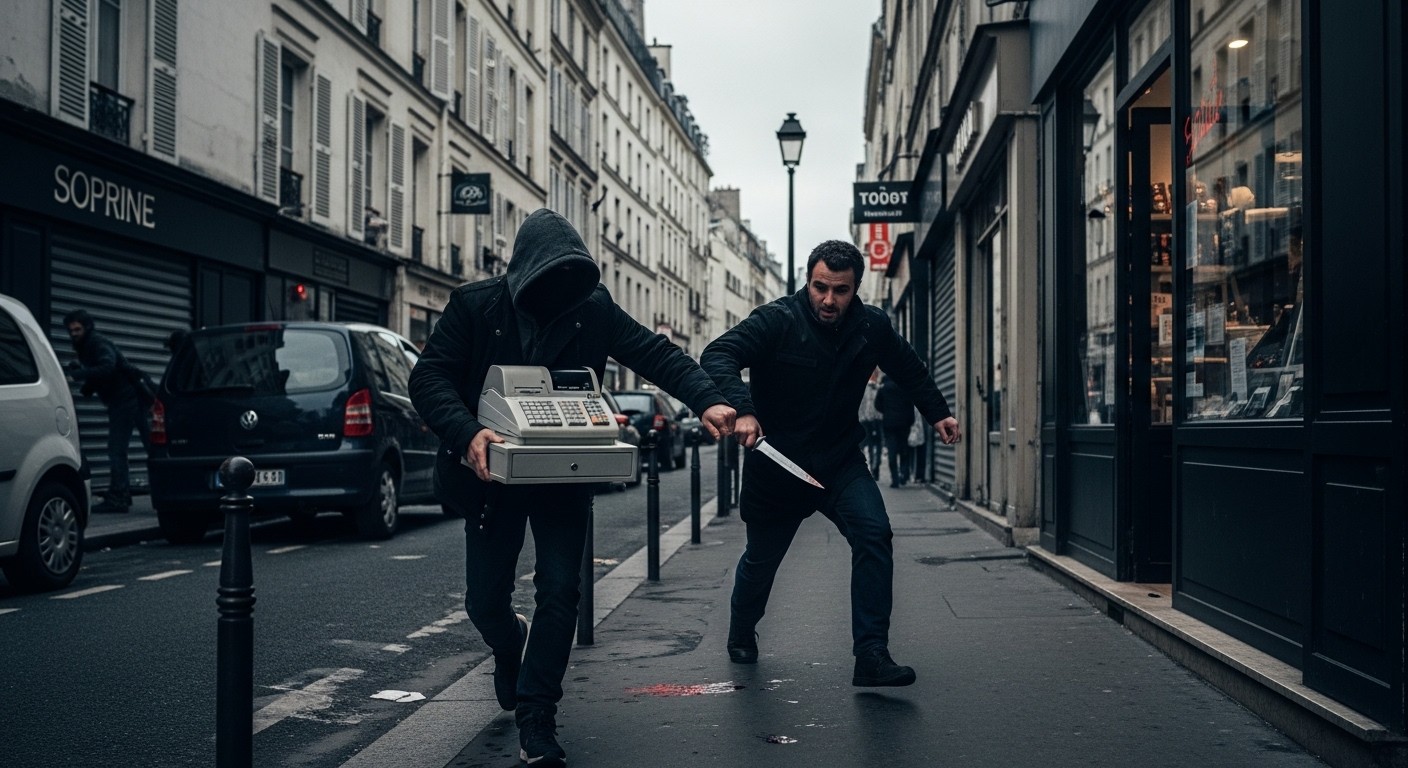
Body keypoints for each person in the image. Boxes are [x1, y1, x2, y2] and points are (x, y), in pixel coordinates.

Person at [408, 208, 736, 767]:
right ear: (524, 274)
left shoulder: (593, 308)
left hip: (563, 471)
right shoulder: (474, 305)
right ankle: (510, 644)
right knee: (485, 602)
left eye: (570, 279)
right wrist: (468, 434)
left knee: (562, 591)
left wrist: (707, 398)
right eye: (547, 280)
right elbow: (429, 377)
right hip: (491, 475)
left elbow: (655, 354)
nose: (557, 293)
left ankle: (538, 716)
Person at [701, 239, 960, 688]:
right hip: (778, 465)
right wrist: (742, 407)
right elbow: (717, 354)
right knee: (761, 560)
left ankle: (871, 655)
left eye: (840, 291)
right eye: (820, 287)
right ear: (808, 280)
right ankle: (742, 629)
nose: (828, 300)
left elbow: (909, 367)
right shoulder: (776, 319)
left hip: (840, 461)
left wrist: (939, 412)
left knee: (874, 534)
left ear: (856, 288)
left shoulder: (871, 325)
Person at [63, 309, 150, 514]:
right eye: (71, 330)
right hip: (127, 399)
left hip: (127, 400)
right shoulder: (85, 346)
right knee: (147, 447)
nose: (74, 333)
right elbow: (102, 373)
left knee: (116, 449)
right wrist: (88, 386)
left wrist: (78, 375)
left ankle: (119, 497)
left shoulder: (96, 343)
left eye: (77, 329)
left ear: (87, 328)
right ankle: (123, 493)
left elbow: (108, 367)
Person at [874, 373, 916, 487]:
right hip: (904, 424)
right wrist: (911, 421)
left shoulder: (884, 388)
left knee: (892, 451)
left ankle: (895, 479)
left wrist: (886, 411)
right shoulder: (905, 386)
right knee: (904, 450)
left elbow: (877, 405)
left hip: (889, 424)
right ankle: (904, 474)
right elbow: (910, 405)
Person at [857, 370, 882, 480]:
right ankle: (870, 470)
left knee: (871, 447)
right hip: (870, 421)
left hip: (869, 421)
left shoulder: (875, 388)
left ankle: (873, 470)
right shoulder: (872, 388)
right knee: (871, 446)